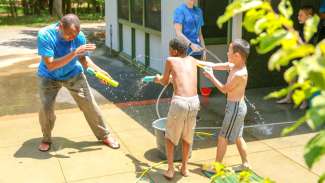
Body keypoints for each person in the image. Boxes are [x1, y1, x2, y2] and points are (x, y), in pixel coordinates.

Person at [37, 14, 119, 152]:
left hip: (73, 74)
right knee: (46, 109)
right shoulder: (45, 35)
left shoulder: (79, 36)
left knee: (90, 105)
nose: (72, 38)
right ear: (60, 26)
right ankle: (46, 138)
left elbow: (84, 60)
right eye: (69, 34)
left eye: (74, 36)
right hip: (48, 76)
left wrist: (100, 72)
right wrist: (74, 53)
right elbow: (50, 65)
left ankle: (104, 135)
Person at [154, 38, 200, 179]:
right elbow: (182, 78)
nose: (168, 51)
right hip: (194, 101)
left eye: (169, 49)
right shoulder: (193, 60)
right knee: (187, 136)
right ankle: (185, 168)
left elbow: (164, 81)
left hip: (180, 102)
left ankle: (170, 170)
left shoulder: (170, 60)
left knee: (169, 137)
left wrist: (157, 78)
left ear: (174, 50)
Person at [202, 39, 251, 169]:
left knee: (223, 136)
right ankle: (245, 164)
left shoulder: (240, 74)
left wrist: (211, 77)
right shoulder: (234, 65)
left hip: (235, 108)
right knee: (238, 137)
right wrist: (197, 62)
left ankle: (217, 166)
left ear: (237, 56)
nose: (227, 52)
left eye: (229, 50)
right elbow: (217, 65)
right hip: (235, 107)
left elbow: (224, 89)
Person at [277, 5, 316, 105]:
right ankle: (289, 97)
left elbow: (307, 46)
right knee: (292, 78)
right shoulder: (303, 27)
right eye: (298, 15)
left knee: (304, 79)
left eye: (301, 15)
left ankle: (304, 101)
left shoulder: (312, 29)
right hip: (298, 56)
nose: (298, 17)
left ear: (309, 17)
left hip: (307, 58)